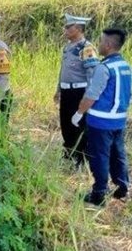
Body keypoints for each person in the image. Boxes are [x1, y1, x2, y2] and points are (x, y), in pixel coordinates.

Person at [72, 28, 132, 206]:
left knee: (99, 156)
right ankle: (122, 188)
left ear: (107, 45)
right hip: (119, 120)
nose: (98, 45)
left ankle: (99, 194)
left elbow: (91, 95)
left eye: (101, 42)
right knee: (118, 154)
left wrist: (78, 114)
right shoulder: (126, 67)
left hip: (100, 121)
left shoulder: (103, 67)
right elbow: (130, 94)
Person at [54, 13, 99, 167]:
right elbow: (63, 70)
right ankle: (69, 154)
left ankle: (81, 159)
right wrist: (58, 89)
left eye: (68, 27)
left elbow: (92, 75)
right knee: (65, 123)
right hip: (67, 92)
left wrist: (86, 98)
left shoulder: (87, 48)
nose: (65, 29)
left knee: (79, 125)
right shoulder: (68, 47)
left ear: (79, 28)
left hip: (79, 92)